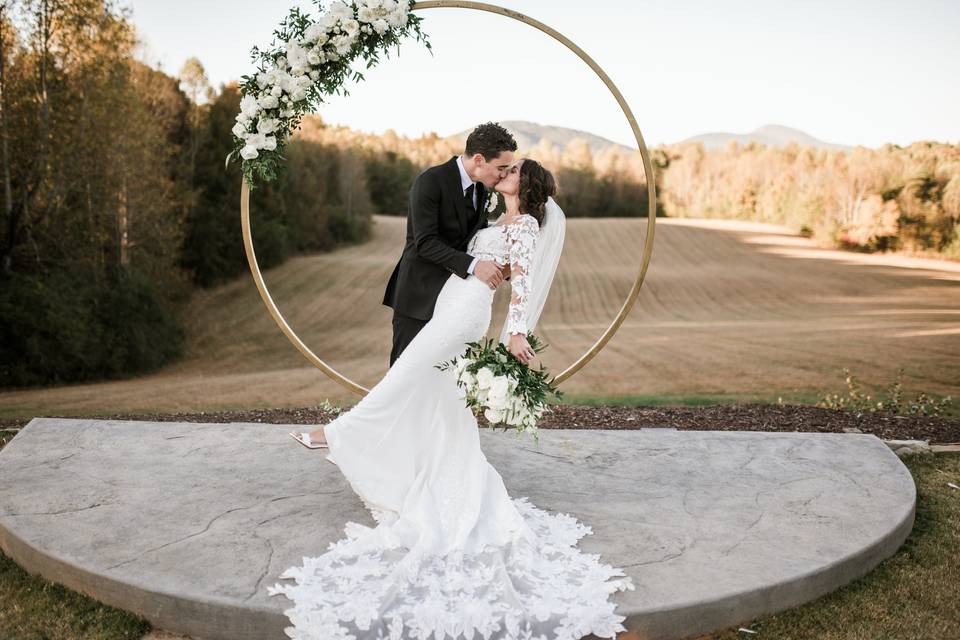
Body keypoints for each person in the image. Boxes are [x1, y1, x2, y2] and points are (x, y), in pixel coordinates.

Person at [274, 145, 635, 638]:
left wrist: (516, 331)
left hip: (466, 312)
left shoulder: (525, 227)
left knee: (405, 375)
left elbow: (522, 282)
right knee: (438, 397)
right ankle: (438, 473)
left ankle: (335, 435)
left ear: (525, 187)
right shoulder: (494, 213)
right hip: (449, 303)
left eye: (514, 172)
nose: (505, 174)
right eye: (504, 168)